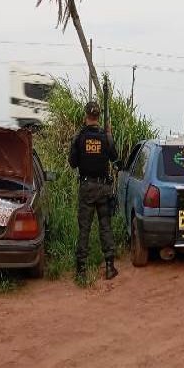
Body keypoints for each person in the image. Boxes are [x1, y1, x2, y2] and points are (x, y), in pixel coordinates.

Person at [68, 101, 119, 280]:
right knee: (105, 226)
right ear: (98, 117)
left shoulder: (79, 137)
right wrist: (109, 135)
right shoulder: (105, 137)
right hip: (103, 188)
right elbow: (115, 158)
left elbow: (73, 163)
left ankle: (81, 270)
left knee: (84, 229)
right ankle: (110, 267)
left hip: (87, 187)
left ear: (86, 116)